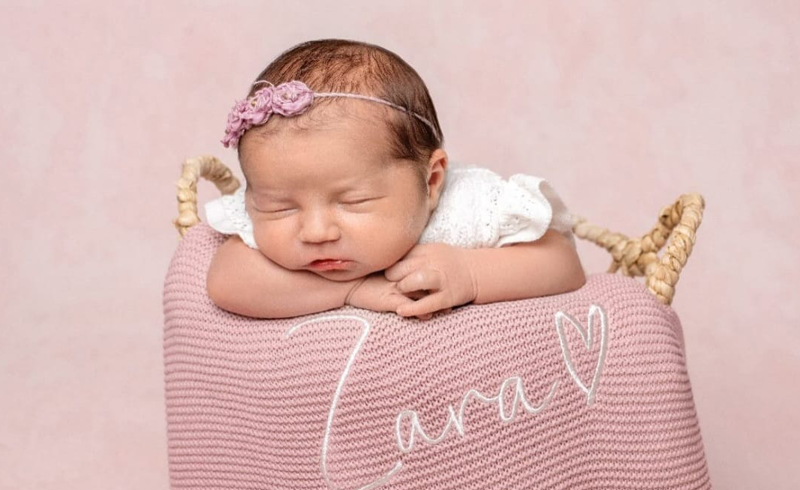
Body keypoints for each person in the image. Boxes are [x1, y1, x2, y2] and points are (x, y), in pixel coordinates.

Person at [205, 38, 586, 321]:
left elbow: (563, 263)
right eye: (280, 207)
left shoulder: (469, 204)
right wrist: (354, 290)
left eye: (352, 201)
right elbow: (226, 281)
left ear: (432, 181)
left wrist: (470, 273)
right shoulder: (261, 222)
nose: (315, 231)